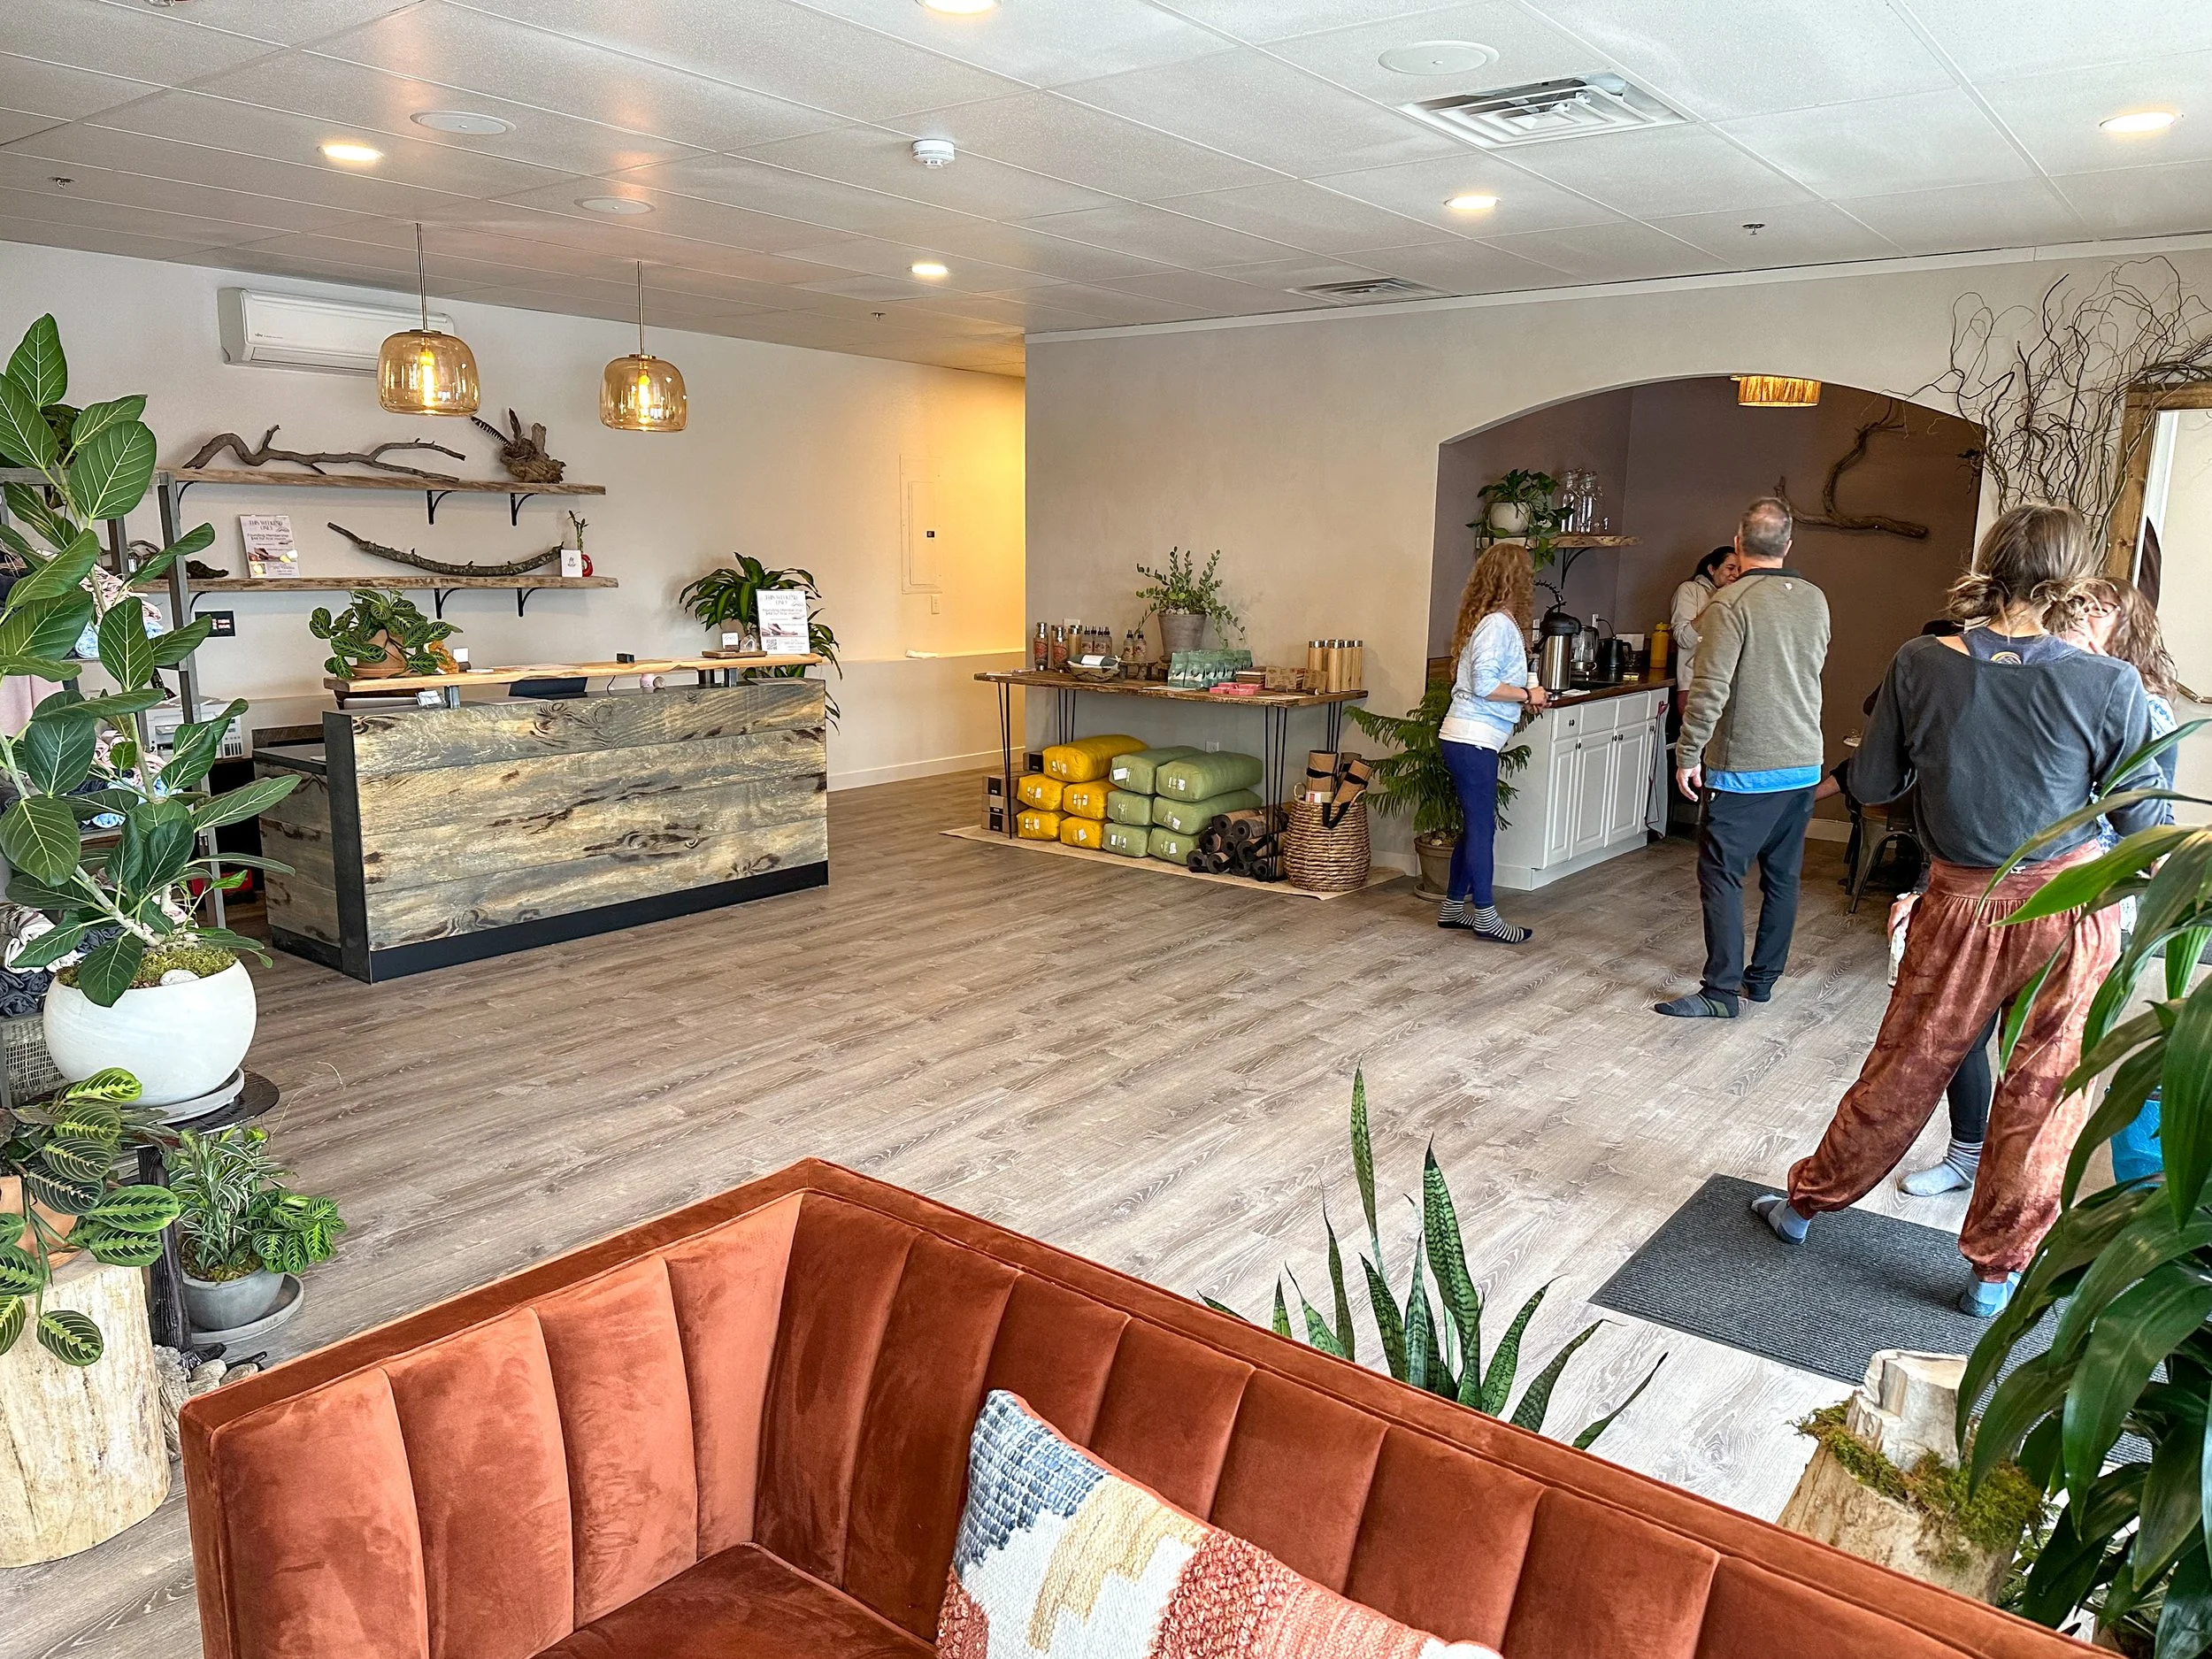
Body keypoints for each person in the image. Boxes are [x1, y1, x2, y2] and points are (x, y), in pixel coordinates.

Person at [1753, 505, 2163, 1316]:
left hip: (1959, 903)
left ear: (1991, 563)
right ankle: (1994, 1272)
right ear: (2077, 580)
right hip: (2070, 912)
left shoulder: (1919, 661)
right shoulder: (2111, 683)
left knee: (1903, 1067)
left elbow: (1869, 786)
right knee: (2043, 1093)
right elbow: (2141, 823)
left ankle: (1804, 1207)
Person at [1897, 578, 2178, 1197]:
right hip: (1983, 887)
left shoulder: (2136, 700)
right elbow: (1985, 795)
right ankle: (1967, 1150)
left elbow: (2147, 819)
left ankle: (2008, 1214)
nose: (2081, 617)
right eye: (2079, 604)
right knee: (1957, 1035)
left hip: (2085, 894)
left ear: (2125, 627)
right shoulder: (2025, 679)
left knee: (2040, 1067)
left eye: (2101, 610)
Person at [1657, 498, 1831, 1018]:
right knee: (1783, 876)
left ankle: (1719, 991)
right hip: (1803, 761)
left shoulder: (1729, 603)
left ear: (1738, 543)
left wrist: (1688, 754)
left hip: (1747, 767)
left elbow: (1710, 688)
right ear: (1788, 546)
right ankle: (1762, 981)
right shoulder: (1816, 600)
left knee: (1722, 874)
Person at [1437, 541, 1548, 944]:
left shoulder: (1493, 622)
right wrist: (1527, 696)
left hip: (1470, 739)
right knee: (1483, 829)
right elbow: (1485, 685)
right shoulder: (1497, 625)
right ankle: (1484, 915)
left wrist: (1528, 688)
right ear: (1517, 582)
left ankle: (1452, 907)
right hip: (1472, 740)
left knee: (1474, 827)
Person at [1669, 546, 1738, 693]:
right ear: (1712, 569)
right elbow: (1684, 639)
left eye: (1739, 569)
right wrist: (1719, 600)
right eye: (1730, 568)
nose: (1736, 574)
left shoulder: (1736, 598)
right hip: (1694, 686)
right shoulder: (1689, 590)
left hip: (1727, 685)